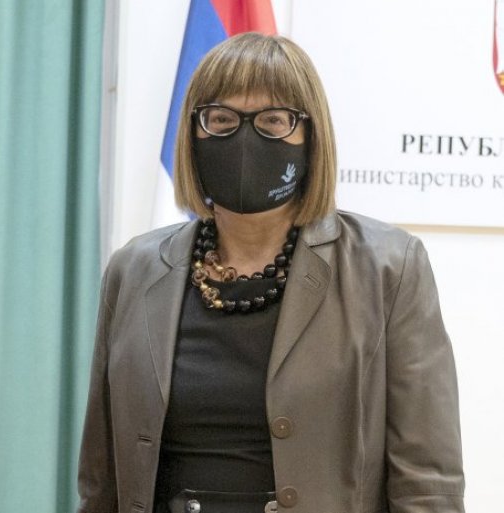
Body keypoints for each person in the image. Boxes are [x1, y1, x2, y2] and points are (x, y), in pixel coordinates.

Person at [77, 33, 464, 513]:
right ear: (192, 134)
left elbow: (427, 485)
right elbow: (101, 479)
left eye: (273, 121)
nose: (245, 139)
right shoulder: (133, 269)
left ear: (311, 137)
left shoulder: (389, 267)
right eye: (221, 120)